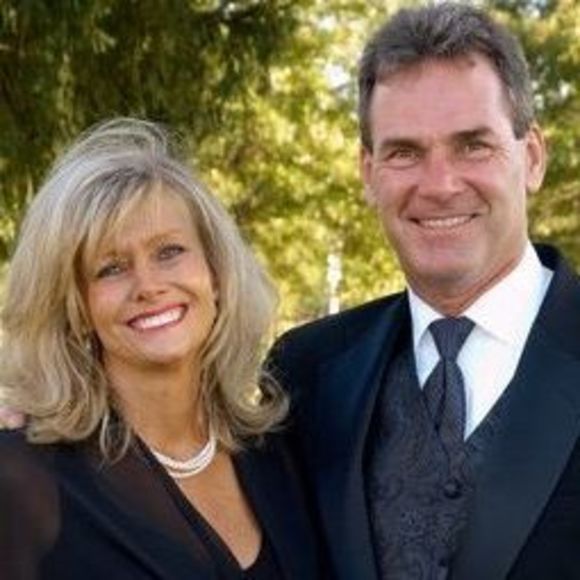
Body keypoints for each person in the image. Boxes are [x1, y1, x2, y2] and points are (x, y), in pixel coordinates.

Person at [268, 3, 580, 580]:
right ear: (368, 173)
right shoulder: (305, 373)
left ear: (532, 157)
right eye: (405, 152)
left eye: (473, 145)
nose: (439, 185)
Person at [0, 118, 321, 579]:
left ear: (215, 273)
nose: (148, 285)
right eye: (110, 268)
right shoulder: (22, 479)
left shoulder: (280, 453)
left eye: (169, 251)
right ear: (75, 306)